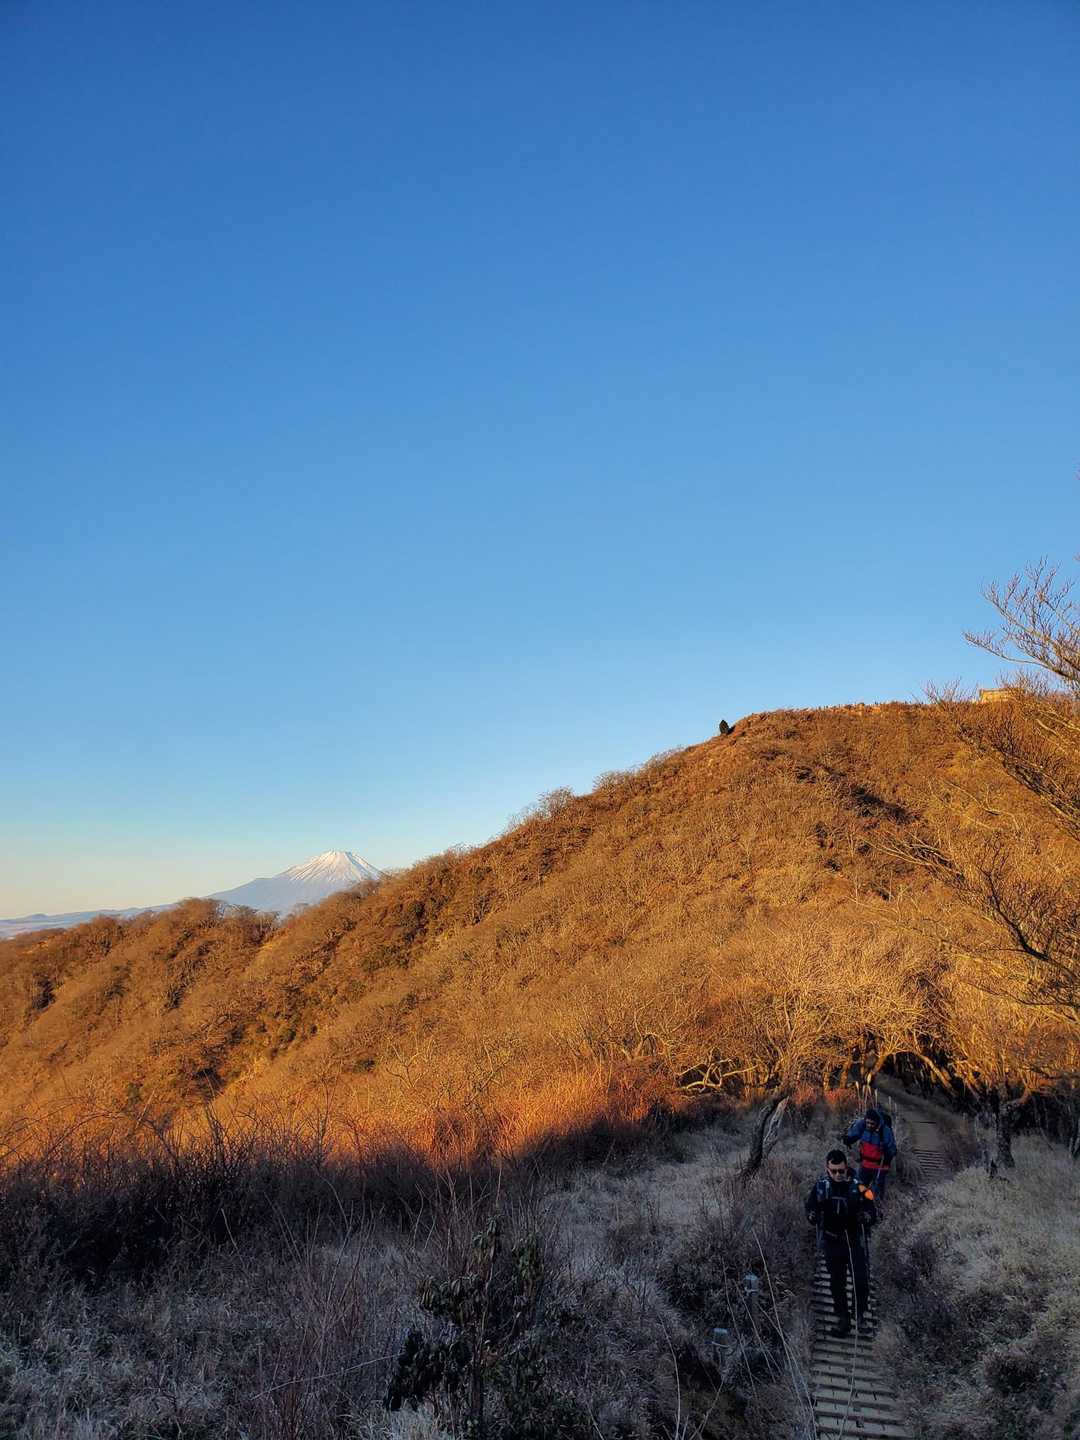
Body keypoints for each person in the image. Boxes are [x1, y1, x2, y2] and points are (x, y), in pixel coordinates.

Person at [805, 1149, 876, 1338]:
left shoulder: (860, 1186)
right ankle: (842, 1320)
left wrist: (867, 1216)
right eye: (834, 1171)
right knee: (837, 1283)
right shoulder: (820, 1186)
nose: (838, 1174)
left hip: (854, 1240)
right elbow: (810, 1206)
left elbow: (872, 1206)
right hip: (831, 1241)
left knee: (861, 1280)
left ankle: (859, 1316)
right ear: (827, 1169)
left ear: (846, 1167)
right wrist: (812, 1215)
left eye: (841, 1171)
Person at [844, 1106, 897, 1199]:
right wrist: (848, 1139)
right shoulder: (862, 1125)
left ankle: (877, 1205)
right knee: (859, 1188)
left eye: (872, 1124)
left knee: (876, 1193)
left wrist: (888, 1156)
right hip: (865, 1164)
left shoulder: (885, 1131)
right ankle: (861, 1204)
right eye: (867, 1122)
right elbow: (854, 1133)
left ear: (877, 1122)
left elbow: (892, 1148)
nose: (869, 1125)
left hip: (880, 1166)